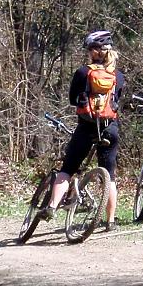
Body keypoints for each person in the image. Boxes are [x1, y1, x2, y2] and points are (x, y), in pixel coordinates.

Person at [38, 30, 125, 230]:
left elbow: (72, 99)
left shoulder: (83, 73)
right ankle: (110, 221)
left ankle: (52, 206)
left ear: (94, 52)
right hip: (110, 128)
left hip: (86, 127)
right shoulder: (118, 76)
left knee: (68, 169)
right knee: (109, 176)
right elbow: (117, 101)